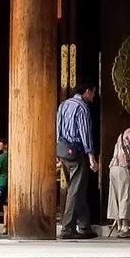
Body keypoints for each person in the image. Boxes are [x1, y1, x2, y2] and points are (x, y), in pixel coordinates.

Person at [55, 84, 99, 239]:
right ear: (87, 90)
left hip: (63, 150)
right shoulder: (82, 107)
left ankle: (84, 226)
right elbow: (85, 133)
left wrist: (58, 153)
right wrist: (91, 156)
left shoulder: (63, 105)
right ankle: (67, 228)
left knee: (77, 188)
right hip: (77, 152)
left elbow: (58, 129)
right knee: (75, 189)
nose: (93, 96)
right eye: (93, 93)